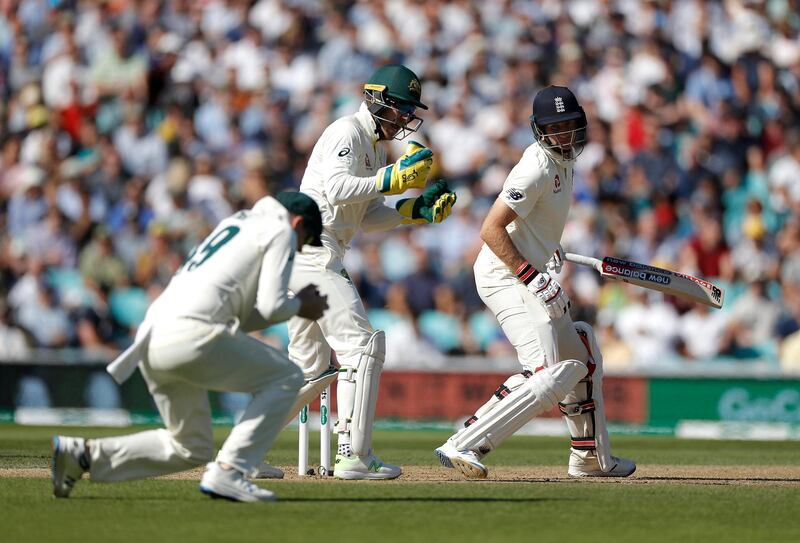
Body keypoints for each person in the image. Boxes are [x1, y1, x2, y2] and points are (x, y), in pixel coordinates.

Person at [51, 192, 329, 502]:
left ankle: (83, 456)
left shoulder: (237, 223)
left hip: (153, 336)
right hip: (190, 334)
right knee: (288, 376)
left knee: (191, 446)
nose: (300, 248)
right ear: (298, 223)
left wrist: (292, 307)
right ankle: (230, 470)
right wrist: (302, 305)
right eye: (304, 240)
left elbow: (244, 315)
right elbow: (272, 304)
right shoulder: (280, 230)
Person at [260, 64, 456, 480]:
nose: (406, 118)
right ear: (378, 100)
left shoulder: (376, 148)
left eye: (410, 111)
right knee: (362, 347)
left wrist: (413, 210)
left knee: (308, 370)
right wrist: (393, 179)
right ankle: (354, 455)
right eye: (402, 108)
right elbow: (336, 188)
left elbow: (366, 214)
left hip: (311, 254)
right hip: (313, 251)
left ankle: (243, 452)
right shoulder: (345, 132)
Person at [434, 86, 635, 479]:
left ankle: (589, 458)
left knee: (583, 357)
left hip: (528, 269)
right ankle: (464, 443)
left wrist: (546, 246)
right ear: (539, 130)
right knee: (546, 370)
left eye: (570, 126)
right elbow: (490, 229)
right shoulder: (536, 167)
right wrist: (531, 274)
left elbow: (533, 219)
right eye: (555, 128)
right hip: (503, 276)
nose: (564, 135)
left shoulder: (565, 161)